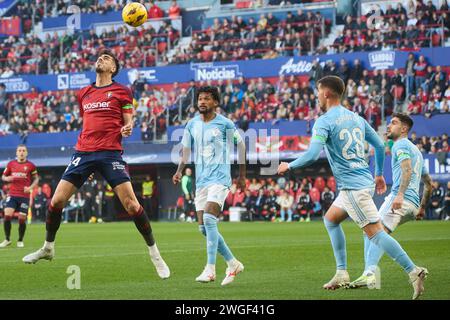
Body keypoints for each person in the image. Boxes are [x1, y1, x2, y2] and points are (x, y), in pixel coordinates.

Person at [22, 49, 170, 279]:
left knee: (131, 204)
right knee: (57, 200)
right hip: (83, 152)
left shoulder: (122, 91)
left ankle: (155, 254)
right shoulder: (84, 93)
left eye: (107, 58)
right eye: (99, 57)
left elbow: (128, 118)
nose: (101, 59)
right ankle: (48, 248)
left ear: (113, 68)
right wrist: (88, 167)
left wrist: (128, 126)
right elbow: (88, 123)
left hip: (110, 153)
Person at [277, 76, 428, 299]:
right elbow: (378, 144)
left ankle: (413, 271)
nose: (317, 96)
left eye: (318, 92)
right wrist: (378, 174)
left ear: (327, 94)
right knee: (331, 219)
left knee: (375, 234)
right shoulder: (356, 118)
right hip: (363, 181)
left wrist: (288, 165)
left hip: (352, 187)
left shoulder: (324, 121)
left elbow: (310, 155)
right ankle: (341, 272)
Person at [173, 86, 246, 286]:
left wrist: (241, 175)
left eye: (207, 99)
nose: (202, 102)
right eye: (200, 99)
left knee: (209, 219)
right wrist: (179, 170)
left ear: (215, 102)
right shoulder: (192, 124)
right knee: (204, 229)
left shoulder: (225, 124)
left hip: (220, 179)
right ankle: (233, 263)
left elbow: (241, 145)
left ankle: (210, 269)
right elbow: (186, 150)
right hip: (202, 181)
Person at [349, 113, 433, 289]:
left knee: (376, 232)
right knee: (370, 231)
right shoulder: (416, 150)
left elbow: (407, 170)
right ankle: (369, 274)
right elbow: (429, 184)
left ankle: (386, 272)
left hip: (400, 199)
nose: (388, 126)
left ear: (404, 129)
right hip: (413, 204)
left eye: (393, 123)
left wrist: (400, 195)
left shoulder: (400, 145)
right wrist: (422, 208)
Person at [0, 145, 39, 248]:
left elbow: (36, 179)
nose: (21, 152)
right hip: (12, 194)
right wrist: (7, 178)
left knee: (22, 219)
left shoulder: (31, 165)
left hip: (24, 196)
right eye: (19, 150)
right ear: (16, 153)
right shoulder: (11, 164)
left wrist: (30, 188)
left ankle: (20, 240)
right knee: (7, 216)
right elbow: (3, 176)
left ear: (26, 153)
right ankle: (7, 239)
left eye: (23, 151)